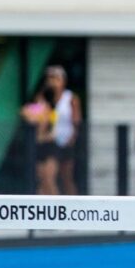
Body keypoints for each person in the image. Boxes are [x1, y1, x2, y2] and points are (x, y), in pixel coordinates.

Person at [45, 65, 82, 195]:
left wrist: (72, 139)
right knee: (48, 176)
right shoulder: (45, 97)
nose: (52, 82)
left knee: (66, 178)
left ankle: (74, 207)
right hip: (51, 142)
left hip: (66, 142)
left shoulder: (70, 98)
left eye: (56, 79)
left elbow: (76, 121)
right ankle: (55, 207)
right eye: (50, 79)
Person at [20, 84, 58, 195]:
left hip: (49, 145)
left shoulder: (51, 111)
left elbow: (50, 128)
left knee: (49, 180)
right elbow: (25, 112)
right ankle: (42, 207)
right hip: (38, 146)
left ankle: (59, 207)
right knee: (41, 181)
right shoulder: (35, 109)